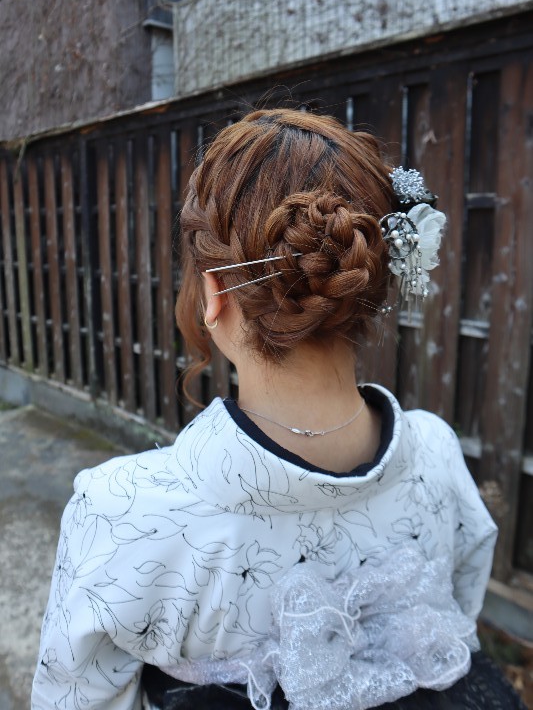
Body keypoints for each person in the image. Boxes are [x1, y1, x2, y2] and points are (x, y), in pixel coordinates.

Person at [32, 109, 524, 710]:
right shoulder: (437, 454)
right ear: (373, 282)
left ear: (213, 292)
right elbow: (457, 626)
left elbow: (75, 695)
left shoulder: (124, 513)